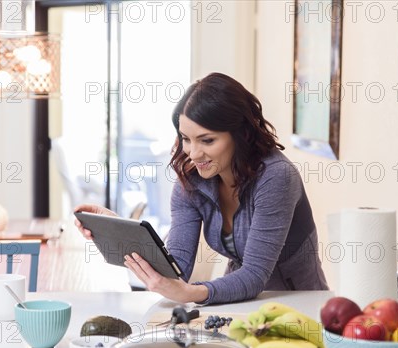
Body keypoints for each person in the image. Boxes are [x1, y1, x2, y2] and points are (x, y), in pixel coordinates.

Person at [75, 72, 328, 305]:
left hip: (298, 304)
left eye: (207, 140)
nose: (194, 154)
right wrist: (121, 230)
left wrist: (192, 292)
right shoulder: (193, 179)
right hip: (240, 302)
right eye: (186, 139)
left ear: (240, 134)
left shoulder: (276, 178)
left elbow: (254, 275)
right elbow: (177, 266)